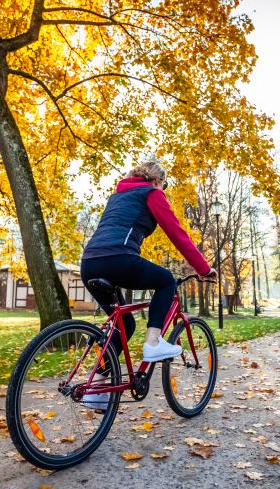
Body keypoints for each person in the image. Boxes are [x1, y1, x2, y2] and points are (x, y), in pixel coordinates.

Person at [80, 160, 216, 408]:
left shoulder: (117, 197)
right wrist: (204, 269)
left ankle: (96, 387)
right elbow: (178, 235)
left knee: (124, 325)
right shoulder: (152, 193)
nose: (164, 188)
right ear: (157, 180)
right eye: (164, 183)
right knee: (165, 280)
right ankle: (153, 343)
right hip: (118, 258)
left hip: (89, 263)